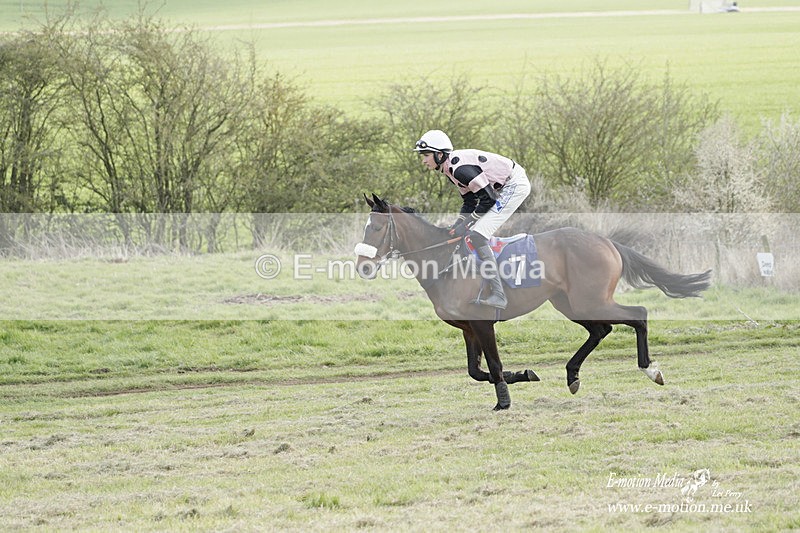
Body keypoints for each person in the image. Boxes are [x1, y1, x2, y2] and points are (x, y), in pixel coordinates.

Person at [413, 129, 532, 309]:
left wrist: (467, 224)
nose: (423, 160)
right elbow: (469, 202)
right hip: (501, 188)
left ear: (439, 154)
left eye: (426, 155)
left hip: (514, 185)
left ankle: (499, 295)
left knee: (477, 235)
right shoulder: (450, 170)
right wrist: (459, 224)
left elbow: (488, 199)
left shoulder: (460, 169)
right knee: (469, 231)